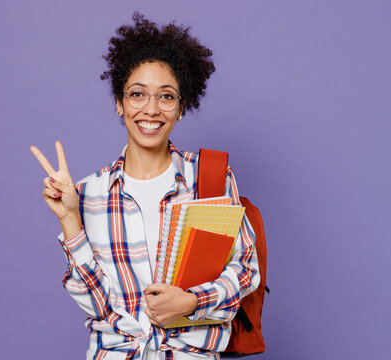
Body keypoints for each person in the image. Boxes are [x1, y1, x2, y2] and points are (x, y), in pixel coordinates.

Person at [30, 13, 260, 360]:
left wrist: (191, 301)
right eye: (137, 94)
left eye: (166, 97)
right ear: (119, 104)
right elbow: (96, 307)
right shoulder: (89, 193)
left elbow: (245, 269)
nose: (151, 109)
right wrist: (69, 220)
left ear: (182, 107)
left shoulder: (208, 178)